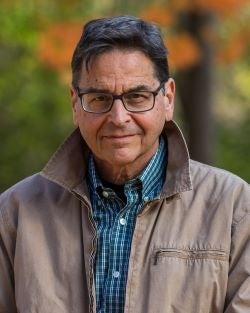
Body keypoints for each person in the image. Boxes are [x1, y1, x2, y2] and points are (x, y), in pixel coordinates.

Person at [0, 15, 249, 313]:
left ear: (167, 98)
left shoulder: (235, 210)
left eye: (137, 96)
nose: (118, 118)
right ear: (75, 102)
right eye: (99, 98)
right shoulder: (15, 214)